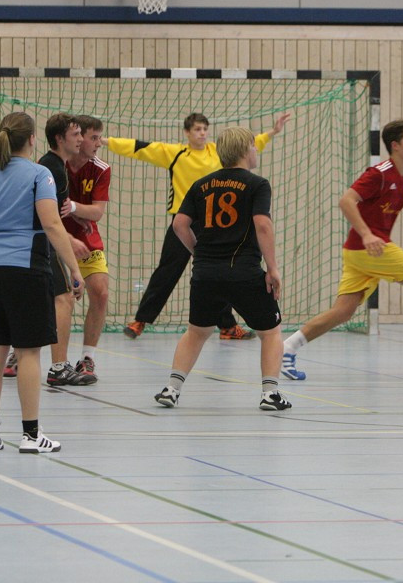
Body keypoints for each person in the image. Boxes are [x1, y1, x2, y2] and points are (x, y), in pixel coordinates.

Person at [280, 119, 403, 381]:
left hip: (359, 253)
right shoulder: (379, 174)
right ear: (395, 146)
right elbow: (346, 200)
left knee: (343, 311)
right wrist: (366, 234)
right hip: (369, 249)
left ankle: (287, 348)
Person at [0, 111, 84, 454]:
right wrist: (74, 269)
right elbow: (53, 225)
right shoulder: (40, 174)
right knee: (27, 353)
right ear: (31, 140)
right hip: (26, 269)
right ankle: (30, 436)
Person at [106, 111, 291, 341]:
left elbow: (250, 145)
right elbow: (140, 147)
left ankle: (227, 326)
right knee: (168, 270)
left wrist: (273, 132)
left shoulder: (218, 151)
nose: (202, 133)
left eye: (205, 129)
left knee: (216, 272)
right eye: (197, 129)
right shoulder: (176, 153)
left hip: (213, 223)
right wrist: (104, 141)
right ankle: (141, 319)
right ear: (187, 132)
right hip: (183, 220)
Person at [154, 128, 291, 411]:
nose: (256, 152)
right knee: (271, 331)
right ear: (246, 150)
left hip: (206, 274)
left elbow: (179, 224)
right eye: (254, 147)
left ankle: (171, 389)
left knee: (196, 332)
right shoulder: (257, 184)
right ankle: (270, 394)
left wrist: (199, 254)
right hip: (244, 272)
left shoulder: (201, 184)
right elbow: (263, 225)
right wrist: (273, 268)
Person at [58, 115, 111, 383]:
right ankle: (21, 353)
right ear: (78, 140)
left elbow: (97, 212)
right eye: (94, 137)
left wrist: (75, 209)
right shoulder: (57, 165)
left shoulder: (101, 168)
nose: (98, 143)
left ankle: (87, 357)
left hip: (87, 242)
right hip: (55, 239)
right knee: (56, 298)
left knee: (100, 293)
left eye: (99, 137)